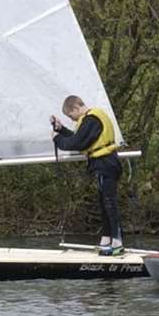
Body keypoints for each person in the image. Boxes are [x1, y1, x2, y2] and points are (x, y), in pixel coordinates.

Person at [51, 95, 125, 256]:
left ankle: (117, 242)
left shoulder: (91, 120)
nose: (72, 119)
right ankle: (106, 239)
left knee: (109, 203)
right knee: (104, 203)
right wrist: (61, 130)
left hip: (105, 163)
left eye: (71, 116)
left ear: (75, 108)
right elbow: (77, 138)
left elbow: (76, 143)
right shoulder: (90, 120)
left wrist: (57, 139)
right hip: (103, 164)